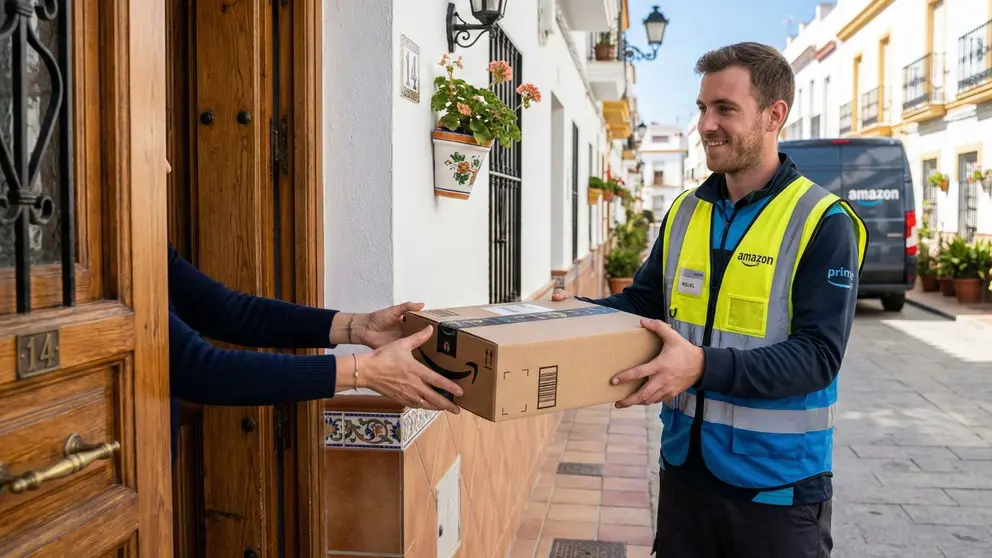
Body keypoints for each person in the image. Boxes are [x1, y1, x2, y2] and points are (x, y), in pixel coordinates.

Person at [553, 42, 867, 557]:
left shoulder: (823, 221)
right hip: (685, 474)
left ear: (774, 115)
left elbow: (818, 358)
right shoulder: (685, 211)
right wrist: (574, 314)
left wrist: (698, 365)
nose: (705, 125)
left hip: (777, 491)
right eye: (703, 108)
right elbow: (645, 303)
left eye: (725, 109)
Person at [164, 160, 462, 459]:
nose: (168, 166)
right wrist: (365, 372)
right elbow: (199, 369)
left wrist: (360, 326)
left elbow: (231, 312)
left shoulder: (153, 248)